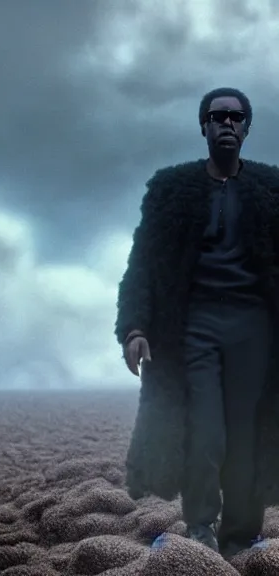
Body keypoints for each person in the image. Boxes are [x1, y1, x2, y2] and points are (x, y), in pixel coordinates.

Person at [117, 87, 279, 558]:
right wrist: (134, 328)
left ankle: (242, 536)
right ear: (203, 126)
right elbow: (143, 263)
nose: (226, 123)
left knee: (247, 432)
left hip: (256, 325)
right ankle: (202, 528)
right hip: (195, 323)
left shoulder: (272, 190)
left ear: (247, 128)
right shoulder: (171, 190)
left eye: (235, 116)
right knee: (205, 429)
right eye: (216, 115)